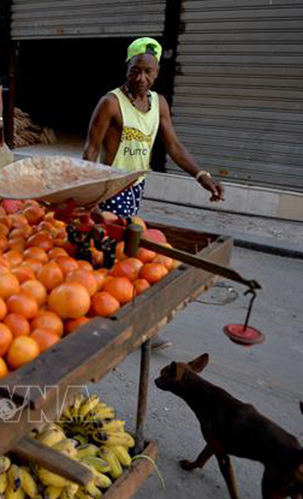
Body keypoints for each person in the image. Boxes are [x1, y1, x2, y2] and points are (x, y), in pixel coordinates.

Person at [83, 37, 225, 350]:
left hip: (136, 189)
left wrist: (201, 176)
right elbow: (91, 149)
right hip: (110, 190)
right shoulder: (110, 103)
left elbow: (173, 145)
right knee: (118, 259)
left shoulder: (158, 104)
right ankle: (127, 326)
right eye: (136, 71)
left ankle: (117, 320)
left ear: (157, 73)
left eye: (148, 72)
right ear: (127, 68)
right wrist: (88, 195)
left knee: (121, 259)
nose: (141, 78)